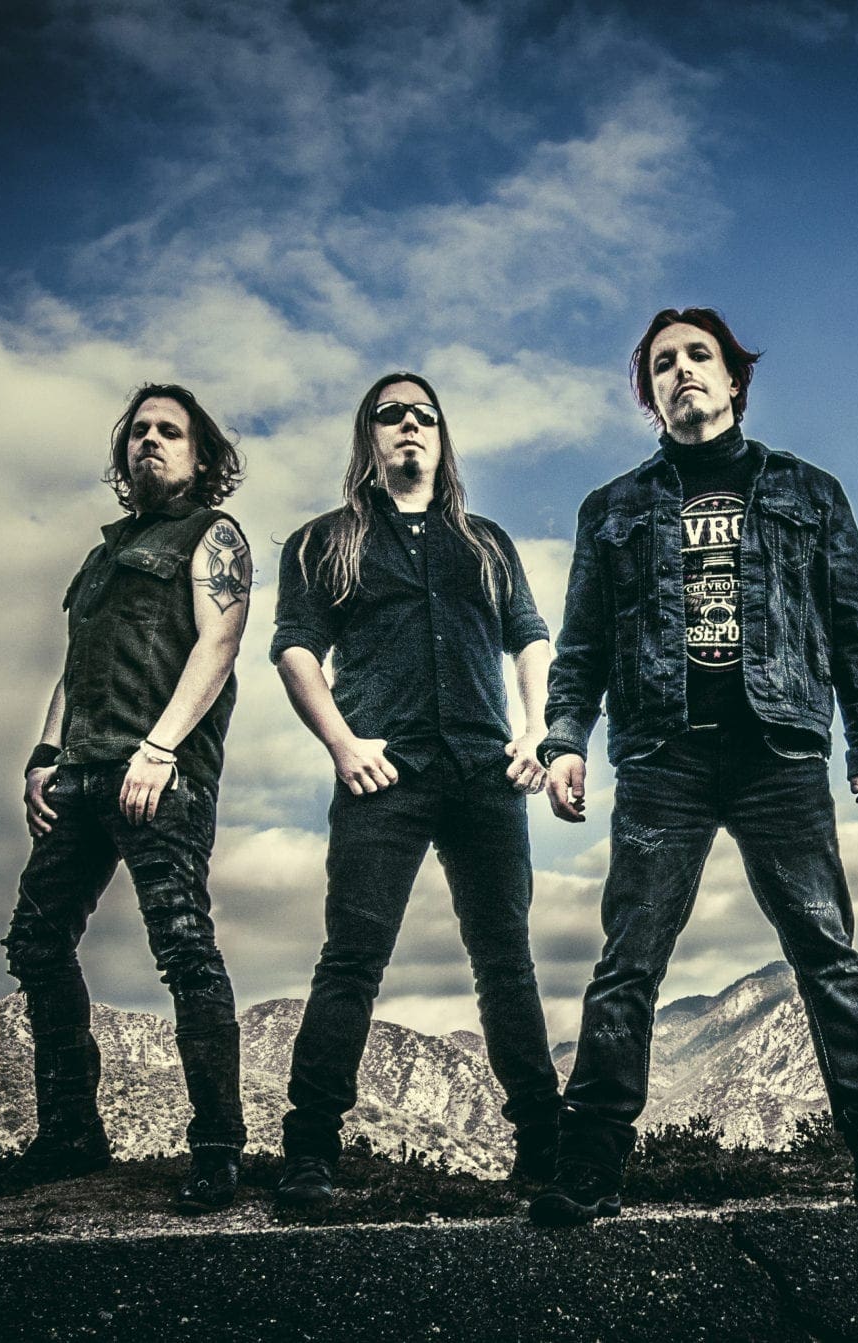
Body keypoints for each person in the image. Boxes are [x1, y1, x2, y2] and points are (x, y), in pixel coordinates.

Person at [530, 307, 858, 1226]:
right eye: (663, 363)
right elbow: (583, 644)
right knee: (628, 959)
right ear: (650, 393)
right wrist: (564, 739)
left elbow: (852, 630)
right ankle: (589, 1167)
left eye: (700, 356)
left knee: (828, 954)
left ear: (733, 379)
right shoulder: (611, 508)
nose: (683, 370)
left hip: (779, 751)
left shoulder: (808, 491)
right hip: (661, 756)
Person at [268, 372, 563, 1213]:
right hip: (383, 773)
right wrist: (342, 743)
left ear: (441, 435)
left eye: (423, 415)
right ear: (369, 436)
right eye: (389, 414)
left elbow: (531, 639)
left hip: (484, 773)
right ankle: (310, 1152)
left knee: (505, 960)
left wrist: (536, 730)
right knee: (352, 959)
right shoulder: (323, 543)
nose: (408, 425)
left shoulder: (486, 543)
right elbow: (295, 649)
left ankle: (545, 1146)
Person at [6, 383, 252, 1212]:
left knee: (184, 948)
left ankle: (217, 1148)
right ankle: (71, 1135)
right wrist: (44, 755)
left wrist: (161, 748)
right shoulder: (101, 556)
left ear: (201, 456)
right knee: (36, 941)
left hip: (159, 775)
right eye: (140, 430)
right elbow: (74, 666)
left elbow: (219, 644)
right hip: (79, 775)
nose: (151, 439)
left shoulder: (213, 534)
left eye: (170, 431)